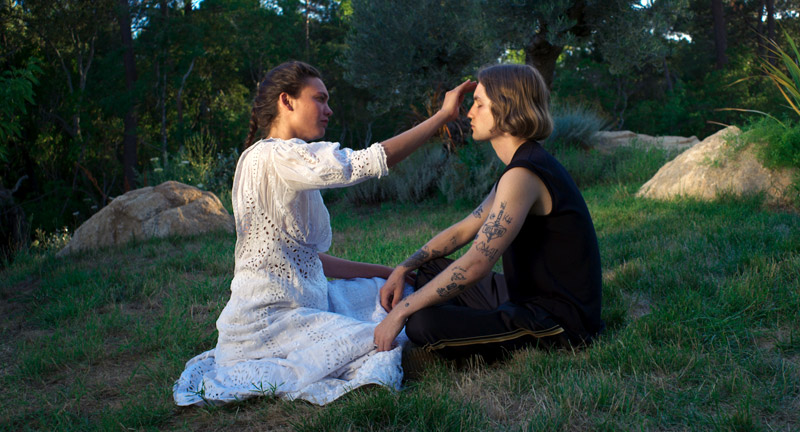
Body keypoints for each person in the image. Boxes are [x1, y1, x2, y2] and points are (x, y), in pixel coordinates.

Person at [173, 61, 476, 406]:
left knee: (394, 293)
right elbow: (363, 163)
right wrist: (441, 117)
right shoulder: (275, 156)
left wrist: (388, 272)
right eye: (319, 99)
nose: (329, 110)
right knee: (383, 338)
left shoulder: (270, 158)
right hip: (272, 320)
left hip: (310, 300)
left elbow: (310, 259)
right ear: (286, 101)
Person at [373, 64, 605, 362]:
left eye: (479, 104)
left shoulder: (524, 174)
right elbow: (464, 230)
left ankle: (472, 322)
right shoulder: (521, 165)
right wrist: (403, 267)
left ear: (506, 108)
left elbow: (477, 263)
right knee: (430, 270)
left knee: (423, 325)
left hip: (557, 320)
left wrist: (403, 311)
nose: (469, 113)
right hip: (521, 295)